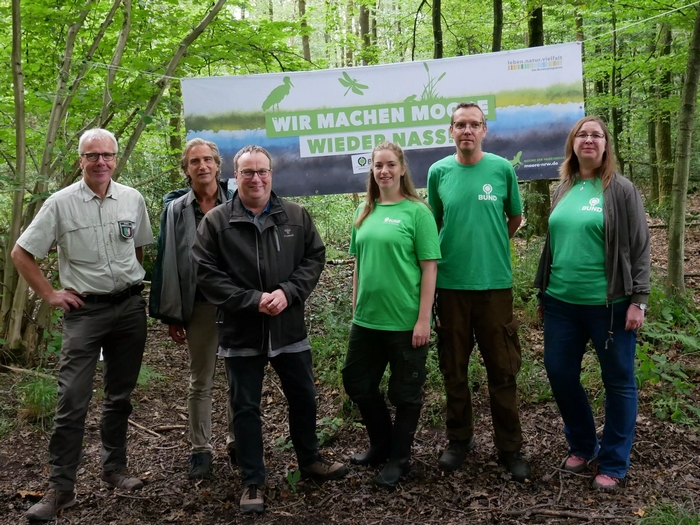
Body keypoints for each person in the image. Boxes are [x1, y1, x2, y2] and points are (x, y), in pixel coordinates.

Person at [192, 145, 347, 515]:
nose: (256, 178)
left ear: (271, 174)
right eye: (248, 172)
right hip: (241, 331)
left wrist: (288, 292)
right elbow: (206, 274)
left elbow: (314, 257)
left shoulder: (295, 216)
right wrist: (251, 300)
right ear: (235, 175)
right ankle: (253, 480)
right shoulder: (216, 222)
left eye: (262, 171)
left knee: (304, 398)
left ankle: (310, 460)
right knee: (245, 408)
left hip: (288, 329)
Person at [12, 129, 153, 521]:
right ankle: (60, 489)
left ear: (115, 158)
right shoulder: (60, 204)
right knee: (72, 401)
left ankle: (114, 469)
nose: (101, 162)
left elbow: (138, 248)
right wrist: (50, 294)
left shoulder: (132, 199)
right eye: (93, 155)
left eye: (107, 155)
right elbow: (21, 253)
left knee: (119, 396)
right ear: (81, 160)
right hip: (85, 313)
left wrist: (130, 281)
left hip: (128, 309)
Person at [534, 116, 650, 490]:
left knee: (618, 380)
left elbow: (640, 247)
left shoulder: (621, 190)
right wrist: (543, 292)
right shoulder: (563, 188)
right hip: (561, 303)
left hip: (611, 306)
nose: (588, 140)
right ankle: (584, 445)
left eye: (596, 135)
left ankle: (614, 462)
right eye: (582, 134)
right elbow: (553, 246)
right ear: (572, 144)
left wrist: (639, 300)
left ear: (605, 145)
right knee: (560, 373)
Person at [427, 102, 530, 482]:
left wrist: (494, 244)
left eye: (474, 124)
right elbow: (433, 222)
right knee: (453, 367)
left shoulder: (502, 169)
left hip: (495, 288)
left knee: (502, 370)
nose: (467, 130)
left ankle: (510, 447)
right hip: (451, 287)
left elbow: (515, 217)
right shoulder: (438, 172)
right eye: (460, 124)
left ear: (484, 130)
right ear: (450, 131)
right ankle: (459, 440)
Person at [343, 142, 440, 488]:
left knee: (405, 393)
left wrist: (423, 319)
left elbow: (429, 268)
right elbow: (358, 264)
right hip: (367, 321)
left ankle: (400, 460)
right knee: (357, 382)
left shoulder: (418, 212)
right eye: (377, 165)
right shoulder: (363, 211)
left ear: (401, 169)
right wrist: (355, 308)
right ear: (371, 170)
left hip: (405, 321)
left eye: (389, 165)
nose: (383, 171)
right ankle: (382, 445)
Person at [149, 138, 235, 479]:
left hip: (236, 303)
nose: (202, 166)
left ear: (217, 164)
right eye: (194, 161)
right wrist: (172, 313)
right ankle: (201, 449)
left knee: (239, 377)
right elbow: (168, 260)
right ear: (187, 170)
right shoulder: (177, 210)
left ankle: (237, 440)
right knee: (201, 379)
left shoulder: (236, 200)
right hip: (198, 306)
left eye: (207, 160)